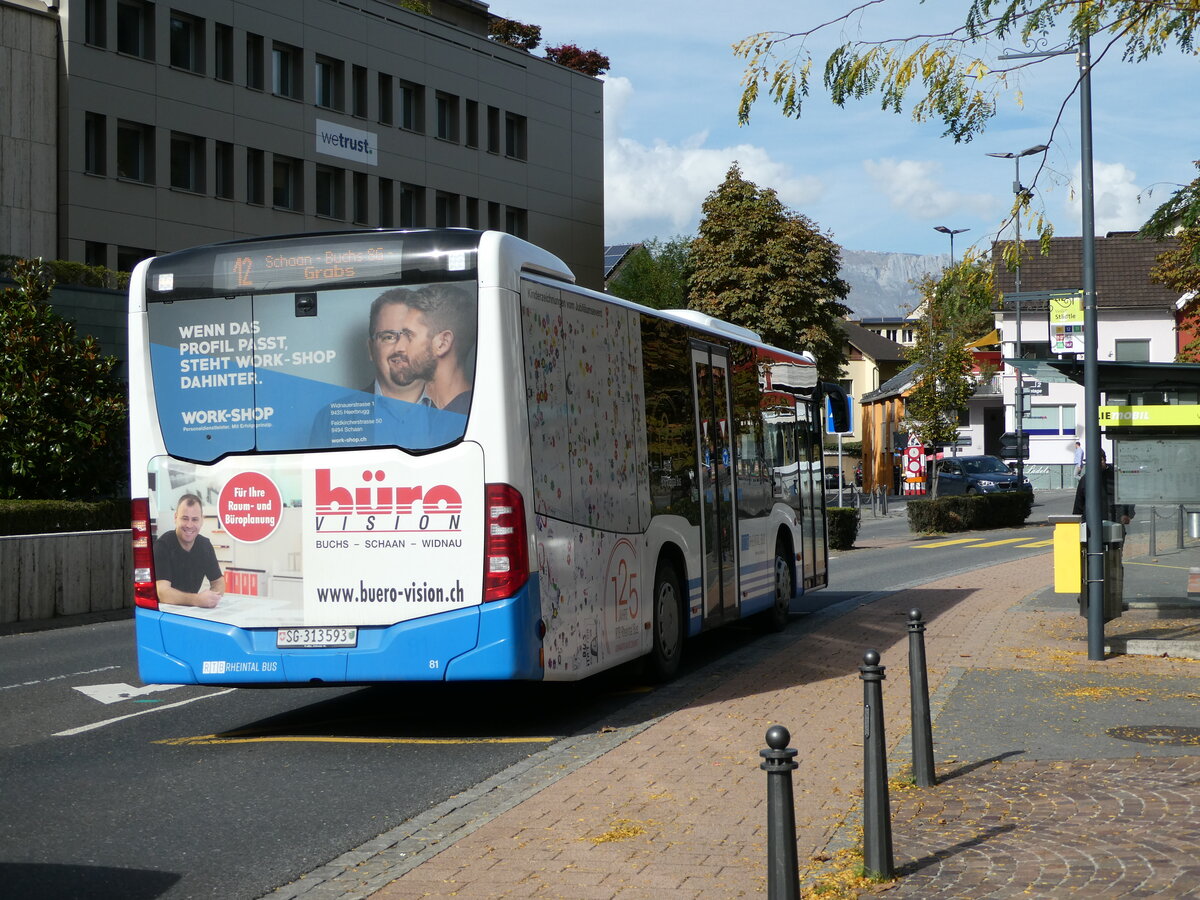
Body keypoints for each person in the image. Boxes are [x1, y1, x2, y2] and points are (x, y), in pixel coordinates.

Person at [371, 283, 476, 414]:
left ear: (442, 343)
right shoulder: (433, 414)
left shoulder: (471, 415)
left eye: (408, 335)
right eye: (389, 337)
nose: (399, 347)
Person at [154, 493, 224, 608]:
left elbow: (218, 582)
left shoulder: (205, 545)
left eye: (195, 519)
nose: (189, 525)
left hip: (191, 612)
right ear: (175, 518)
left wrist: (213, 597)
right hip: (165, 613)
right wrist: (197, 600)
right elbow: (163, 593)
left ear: (202, 520)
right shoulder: (162, 546)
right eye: (185, 518)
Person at [1072, 448, 1134, 526]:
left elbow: (1128, 497)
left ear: (1103, 460)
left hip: (1114, 523)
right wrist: (1075, 522)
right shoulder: (1085, 479)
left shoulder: (1116, 476)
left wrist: (1126, 514)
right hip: (1090, 524)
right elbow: (1079, 503)